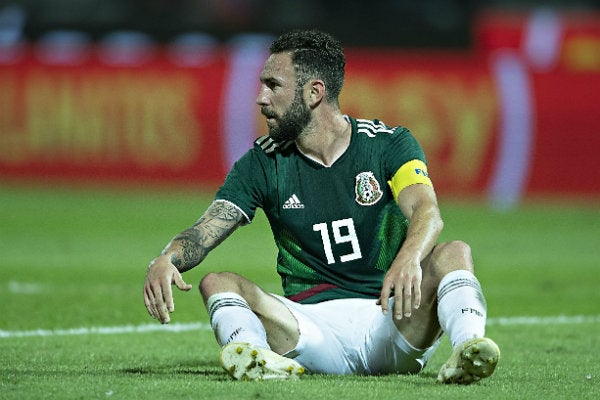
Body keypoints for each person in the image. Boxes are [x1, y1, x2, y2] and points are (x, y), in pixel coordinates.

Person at [143, 29, 500, 384]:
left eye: (273, 85)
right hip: (310, 330)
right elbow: (208, 229)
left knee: (454, 252)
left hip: (393, 319)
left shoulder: (389, 144)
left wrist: (408, 258)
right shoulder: (262, 163)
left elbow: (426, 211)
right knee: (217, 282)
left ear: (314, 92)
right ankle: (257, 358)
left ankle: (469, 350)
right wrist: (168, 258)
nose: (261, 98)